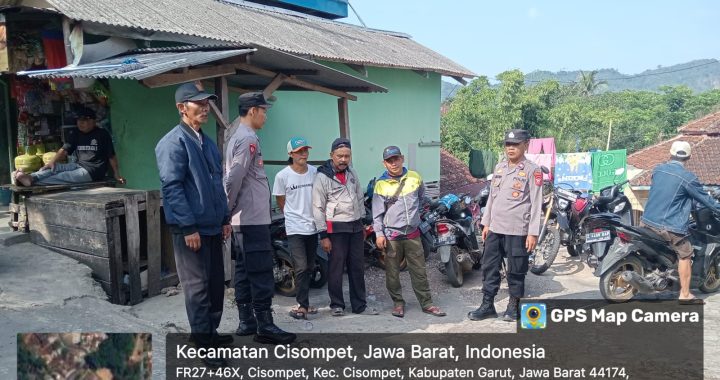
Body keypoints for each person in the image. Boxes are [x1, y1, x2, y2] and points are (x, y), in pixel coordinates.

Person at [155, 82, 232, 367]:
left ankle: (207, 333)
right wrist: (188, 227)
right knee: (197, 289)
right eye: (197, 103)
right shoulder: (173, 143)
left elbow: (216, 184)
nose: (204, 108)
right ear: (181, 108)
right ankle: (204, 345)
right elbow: (172, 188)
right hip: (191, 230)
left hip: (212, 227)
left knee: (214, 286)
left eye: (206, 103)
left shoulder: (206, 141)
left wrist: (224, 218)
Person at [225, 92, 295, 344]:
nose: (266, 116)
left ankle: (246, 321)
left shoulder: (238, 136)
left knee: (244, 269)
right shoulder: (247, 139)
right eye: (264, 111)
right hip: (251, 218)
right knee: (262, 271)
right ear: (253, 111)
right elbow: (234, 178)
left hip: (244, 218)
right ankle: (265, 326)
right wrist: (226, 209)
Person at [468, 129, 542, 322]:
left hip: (518, 230)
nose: (511, 148)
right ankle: (487, 305)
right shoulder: (500, 168)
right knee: (489, 267)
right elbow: (492, 198)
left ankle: (514, 305)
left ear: (526, 145)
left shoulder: (533, 170)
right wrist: (486, 223)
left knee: (516, 269)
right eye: (508, 145)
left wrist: (533, 233)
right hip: (495, 228)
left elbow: (536, 203)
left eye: (515, 144)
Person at [641, 140, 720, 305]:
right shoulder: (688, 178)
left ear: (670, 153)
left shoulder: (658, 170)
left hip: (647, 221)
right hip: (669, 226)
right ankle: (685, 294)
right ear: (689, 157)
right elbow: (707, 200)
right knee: (686, 253)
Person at [372, 146, 445, 318]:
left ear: (402, 159)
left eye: (396, 159)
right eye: (389, 160)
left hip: (413, 234)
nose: (394, 163)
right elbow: (377, 214)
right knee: (392, 272)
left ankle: (427, 303)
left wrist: (415, 216)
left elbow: (421, 199)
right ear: (384, 164)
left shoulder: (414, 177)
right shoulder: (380, 185)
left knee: (419, 270)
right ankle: (398, 303)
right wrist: (379, 234)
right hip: (392, 237)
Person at [312, 138, 377, 317]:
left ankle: (359, 305)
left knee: (357, 266)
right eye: (339, 156)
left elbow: (358, 198)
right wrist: (323, 235)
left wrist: (363, 223)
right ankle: (337, 304)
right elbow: (317, 207)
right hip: (335, 229)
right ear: (331, 155)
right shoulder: (322, 177)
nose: (343, 159)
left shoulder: (352, 174)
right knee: (336, 267)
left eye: (347, 156)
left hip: (355, 227)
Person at [14, 107, 125, 186]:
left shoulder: (102, 134)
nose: (80, 123)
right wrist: (52, 162)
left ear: (93, 121)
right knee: (55, 168)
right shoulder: (76, 133)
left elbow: (111, 156)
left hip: (93, 171)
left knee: (65, 177)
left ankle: (33, 182)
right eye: (78, 120)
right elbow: (64, 150)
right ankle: (30, 177)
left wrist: (116, 174)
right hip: (79, 165)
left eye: (84, 120)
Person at [272, 136, 319, 320]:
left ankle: (305, 301)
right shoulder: (282, 176)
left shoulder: (314, 172)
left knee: (309, 266)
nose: (304, 154)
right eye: (299, 151)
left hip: (313, 226)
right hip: (295, 228)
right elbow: (281, 200)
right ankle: (302, 305)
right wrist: (292, 215)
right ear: (291, 154)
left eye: (306, 150)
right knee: (300, 267)